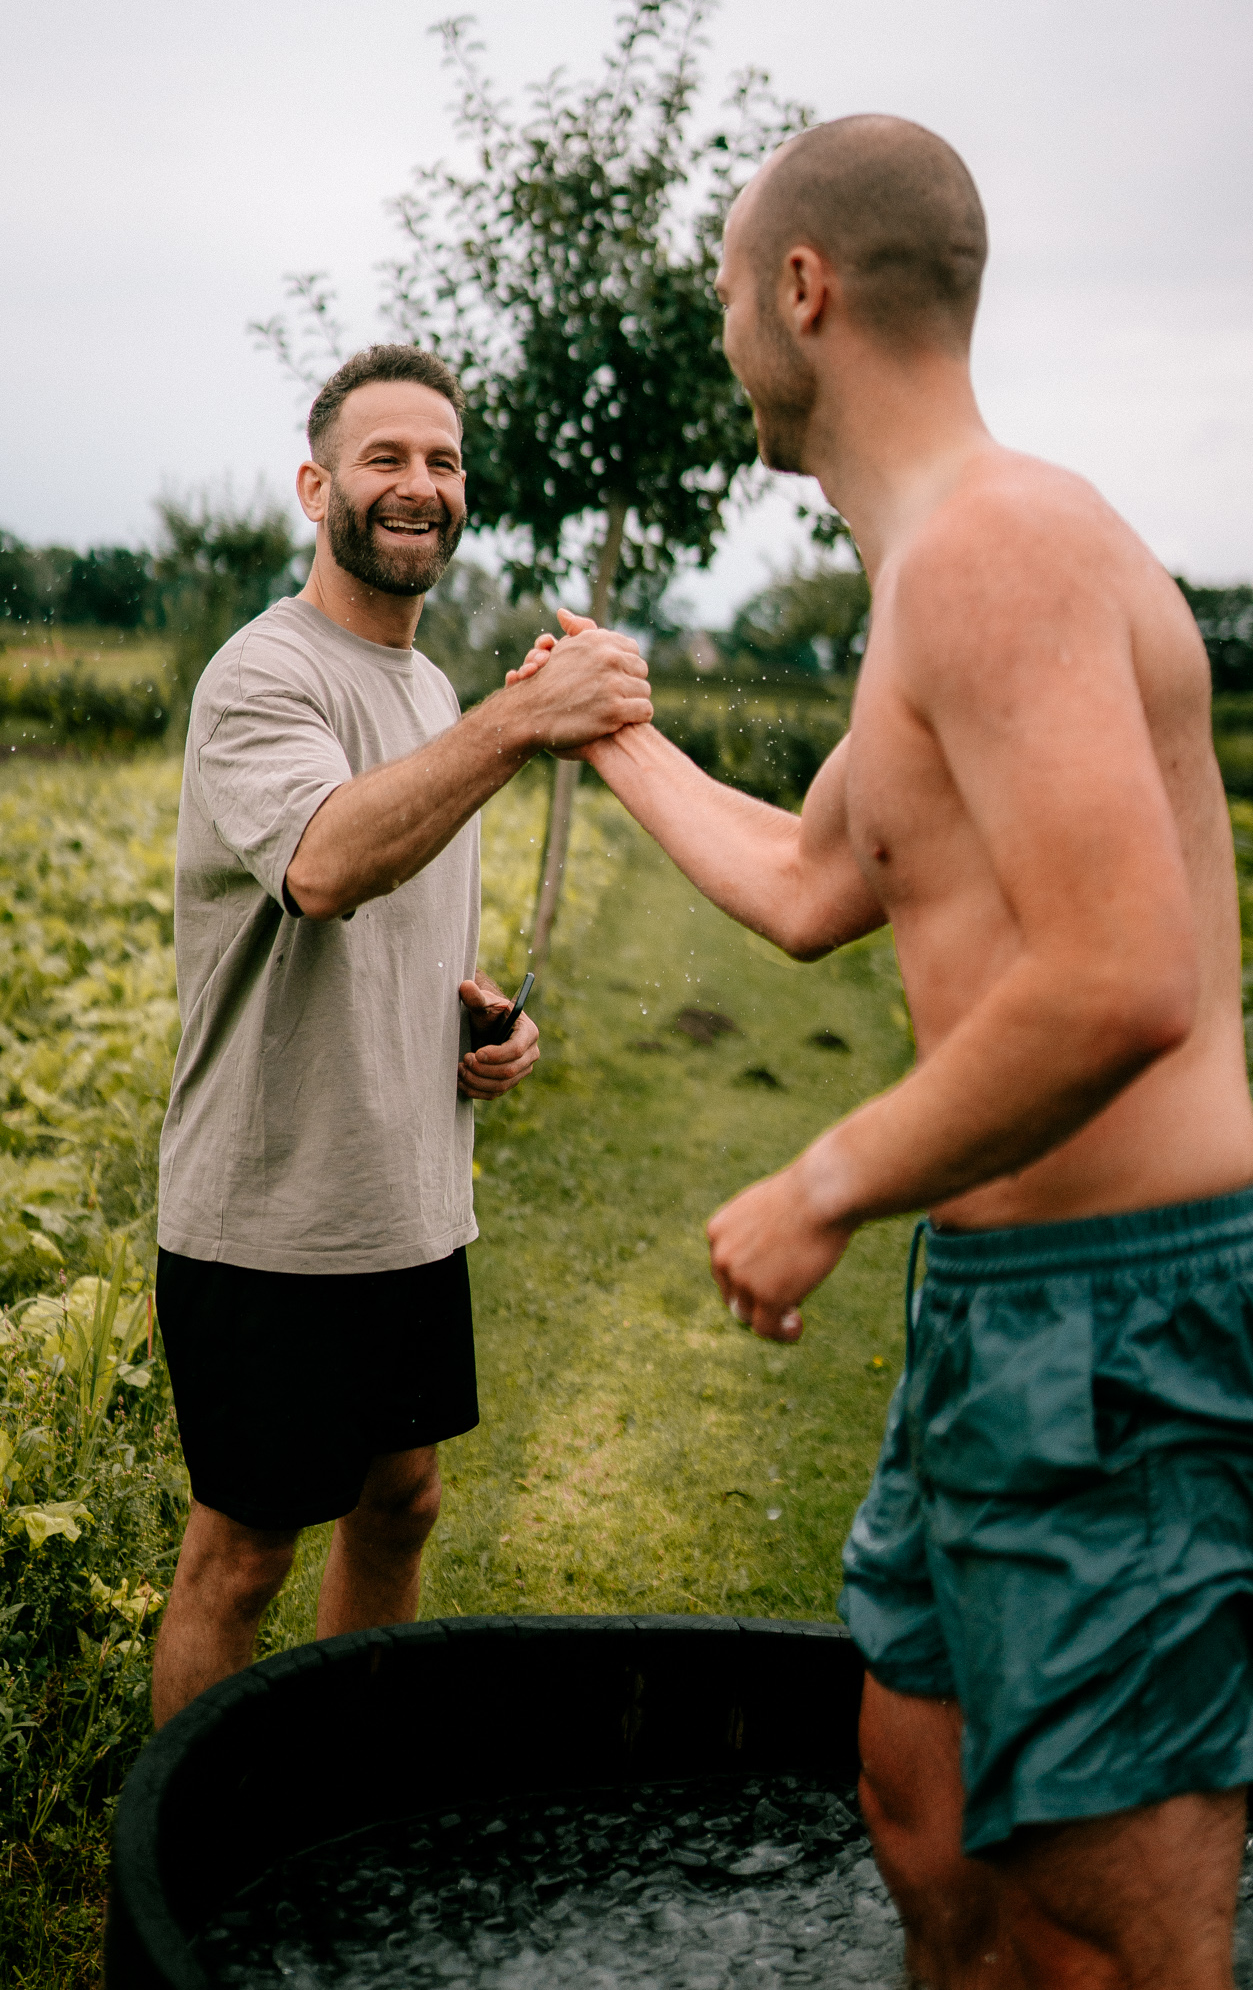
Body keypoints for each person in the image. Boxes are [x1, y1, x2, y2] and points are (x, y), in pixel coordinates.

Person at [510, 118, 1253, 1988]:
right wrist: (603, 729)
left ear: (802, 291)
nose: (720, 335)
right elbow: (809, 875)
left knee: (1114, 1923)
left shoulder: (993, 550)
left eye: (723, 297)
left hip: (1116, 1329)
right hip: (994, 1310)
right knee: (923, 1819)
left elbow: (1120, 977)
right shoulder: (939, 576)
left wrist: (820, 1180)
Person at [150, 344, 651, 1728]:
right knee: (241, 1554)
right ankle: (193, 1853)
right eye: (384, 458)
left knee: (403, 1503)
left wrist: (471, 1016)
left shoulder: (429, 697)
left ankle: (342, 1794)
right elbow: (319, 867)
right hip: (270, 1211)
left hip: (408, 1204)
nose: (416, 485)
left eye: (441, 461)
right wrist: (520, 719)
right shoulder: (263, 677)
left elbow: (398, 920)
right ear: (317, 485)